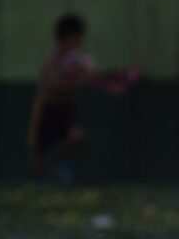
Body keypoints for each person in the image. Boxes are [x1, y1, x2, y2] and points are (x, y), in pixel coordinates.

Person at [28, 14, 138, 184]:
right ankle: (37, 183)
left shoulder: (77, 60)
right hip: (47, 111)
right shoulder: (53, 61)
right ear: (64, 39)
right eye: (76, 39)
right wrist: (33, 130)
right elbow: (48, 88)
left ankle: (61, 162)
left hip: (65, 109)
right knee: (38, 159)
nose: (79, 43)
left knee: (77, 137)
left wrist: (109, 77)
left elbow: (84, 78)